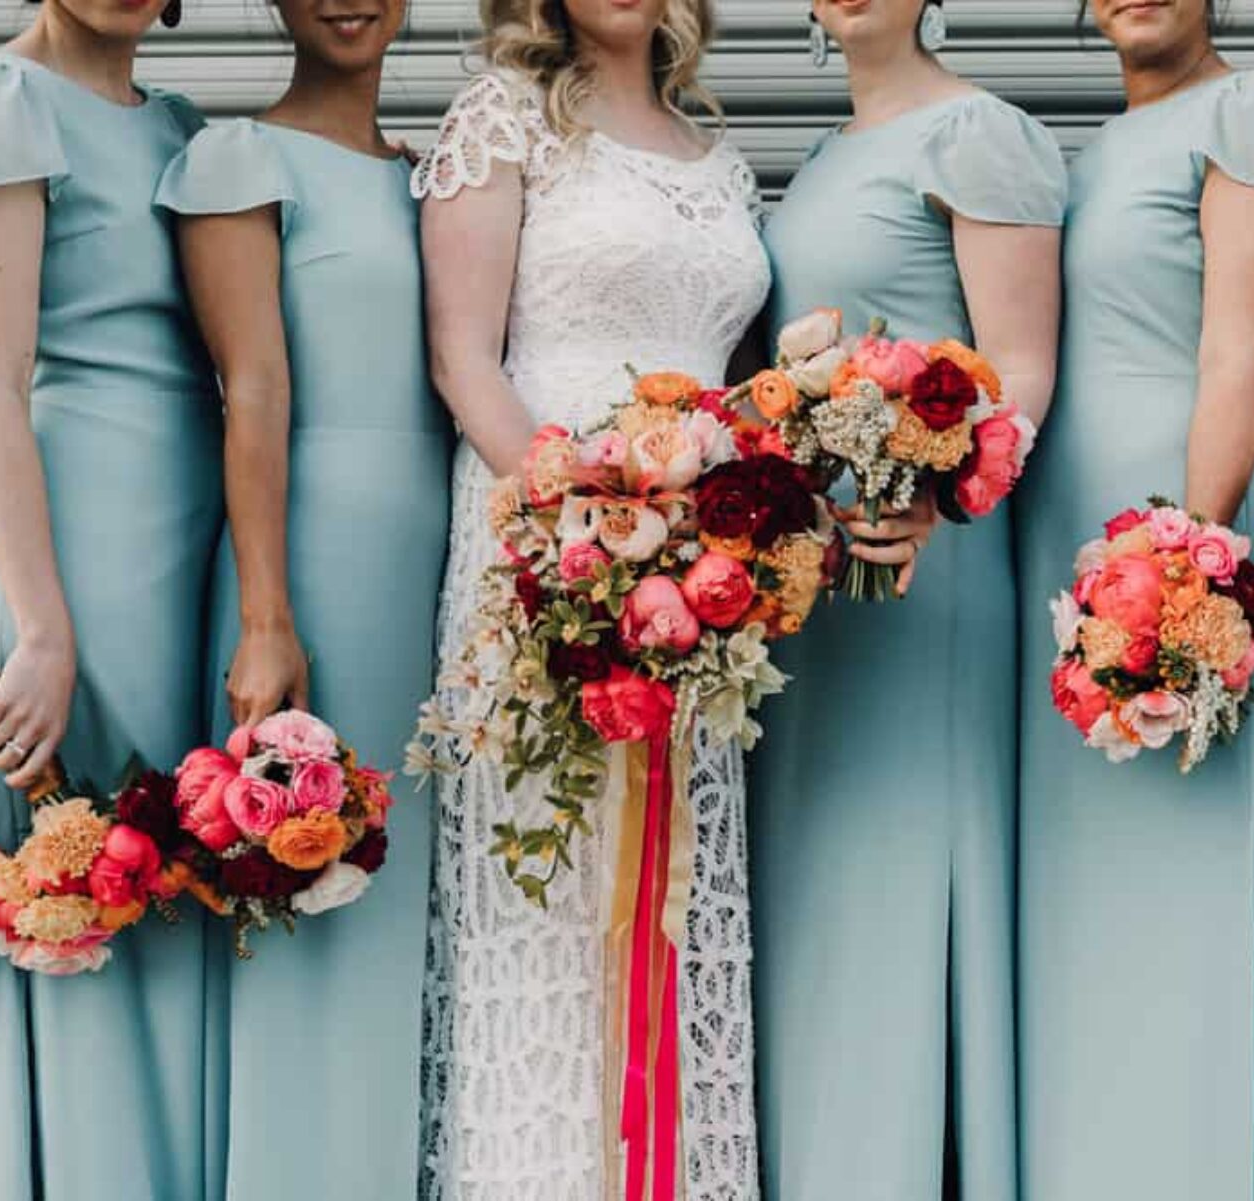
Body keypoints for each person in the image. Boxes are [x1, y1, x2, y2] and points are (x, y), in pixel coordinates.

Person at [411, 1, 770, 1195]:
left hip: (696, 581)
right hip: (541, 551)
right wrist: (590, 526)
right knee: (547, 893)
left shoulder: (721, 162)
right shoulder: (502, 120)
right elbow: (464, 358)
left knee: (672, 889)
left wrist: (699, 547)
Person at [1013, 1, 1254, 1196]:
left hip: (1169, 529)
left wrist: (1191, 568)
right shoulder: (1091, 156)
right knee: (1090, 913)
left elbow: (1238, 353)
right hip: (1072, 542)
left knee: (1190, 889)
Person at [748, 2, 1066, 1196]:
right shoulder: (827, 156)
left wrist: (944, 493)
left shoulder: (980, 134)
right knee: (823, 903)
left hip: (931, 562)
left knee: (905, 884)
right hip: (824, 593)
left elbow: (1024, 364)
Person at [0, 0, 219, 1196]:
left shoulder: (180, 129)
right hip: (60, 566)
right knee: (68, 906)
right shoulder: (4, 99)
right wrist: (39, 627)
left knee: (160, 902)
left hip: (176, 563)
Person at [156, 0, 452, 1195]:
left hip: (443, 565)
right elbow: (254, 387)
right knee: (320, 892)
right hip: (318, 560)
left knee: (417, 906)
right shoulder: (240, 158)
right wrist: (268, 613)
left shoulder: (435, 176)